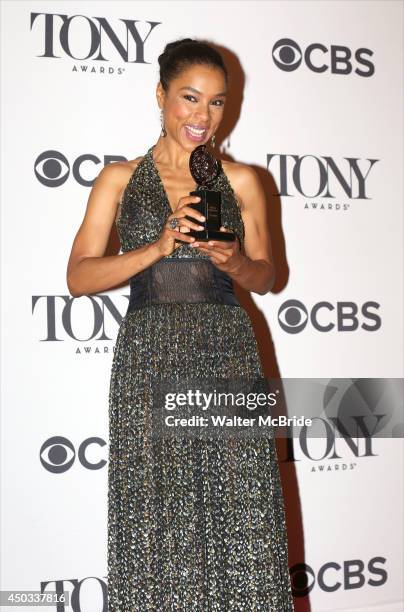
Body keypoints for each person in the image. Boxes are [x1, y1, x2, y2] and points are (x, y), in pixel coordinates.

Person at [67, 38, 294, 611]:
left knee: (242, 509)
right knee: (155, 514)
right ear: (161, 95)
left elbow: (266, 276)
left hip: (225, 352)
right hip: (149, 355)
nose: (202, 116)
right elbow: (80, 276)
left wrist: (234, 261)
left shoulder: (241, 181)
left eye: (217, 103)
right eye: (190, 98)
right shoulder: (119, 179)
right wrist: (158, 245)